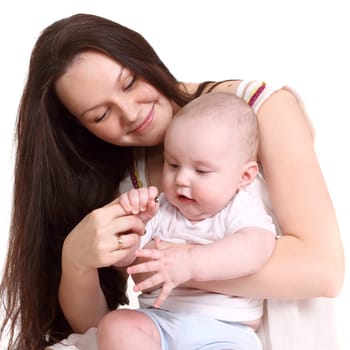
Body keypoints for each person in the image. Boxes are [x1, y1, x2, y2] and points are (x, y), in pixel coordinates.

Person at [0, 13, 344, 350]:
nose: (131, 113)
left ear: (144, 57)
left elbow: (322, 270)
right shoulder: (122, 179)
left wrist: (179, 263)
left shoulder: (255, 111)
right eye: (101, 115)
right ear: (81, 129)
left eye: (130, 82)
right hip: (161, 330)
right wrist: (76, 260)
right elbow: (96, 328)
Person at [97, 92, 277, 350]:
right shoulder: (160, 208)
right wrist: (131, 225)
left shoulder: (240, 208)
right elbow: (125, 260)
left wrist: (191, 263)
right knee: (117, 325)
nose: (181, 179)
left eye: (201, 171)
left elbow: (256, 249)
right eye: (172, 165)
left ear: (244, 176)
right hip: (159, 321)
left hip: (225, 329)